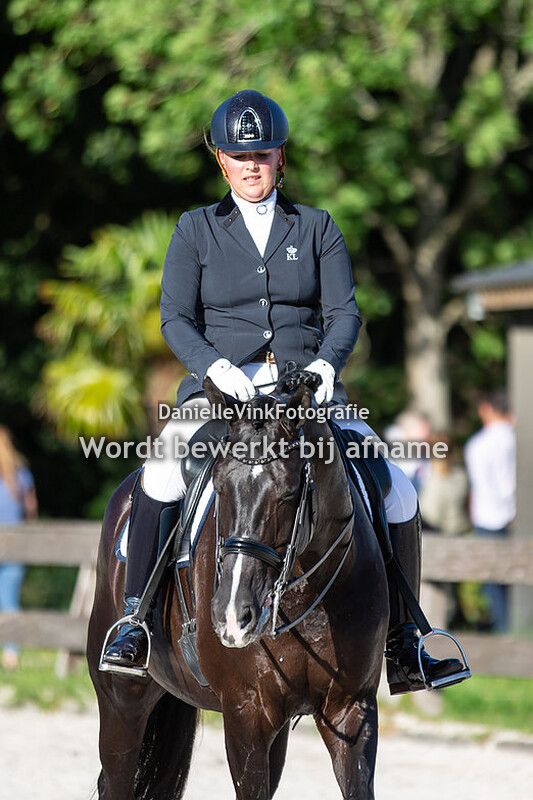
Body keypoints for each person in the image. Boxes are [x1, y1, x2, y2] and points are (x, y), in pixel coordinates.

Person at [101, 90, 464, 692]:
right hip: (222, 392)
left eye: (263, 155)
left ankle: (406, 640)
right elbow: (175, 319)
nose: (252, 166)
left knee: (397, 489)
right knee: (161, 474)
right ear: (221, 160)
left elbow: (344, 314)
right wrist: (216, 368)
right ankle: (135, 621)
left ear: (281, 158)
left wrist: (324, 369)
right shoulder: (196, 229)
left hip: (309, 396)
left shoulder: (317, 226)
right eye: (240, 156)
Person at [464, 389, 515, 632]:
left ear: (487, 410)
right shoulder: (514, 439)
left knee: (493, 586)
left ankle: (505, 633)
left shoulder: (477, 443)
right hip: (512, 517)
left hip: (487, 518)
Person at [0, 426, 38, 670]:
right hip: (16, 544)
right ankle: (11, 654)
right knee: (9, 600)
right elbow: (31, 511)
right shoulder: (21, 475)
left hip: (11, 544)